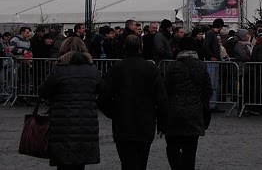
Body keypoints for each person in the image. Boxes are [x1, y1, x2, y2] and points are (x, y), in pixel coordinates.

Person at [100, 34, 168, 170]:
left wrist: (113, 113)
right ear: (140, 48)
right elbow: (161, 98)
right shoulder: (151, 68)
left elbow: (103, 96)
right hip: (145, 121)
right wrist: (162, 122)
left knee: (127, 162)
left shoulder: (116, 68)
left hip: (122, 122)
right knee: (141, 162)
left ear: (125, 47)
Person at [38, 37, 105, 170]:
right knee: (80, 163)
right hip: (86, 122)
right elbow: (103, 90)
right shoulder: (92, 69)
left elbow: (43, 91)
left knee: (64, 163)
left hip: (62, 123)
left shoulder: (58, 69)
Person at [161, 36, 213, 170]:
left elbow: (165, 89)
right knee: (190, 151)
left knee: (172, 148)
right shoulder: (200, 66)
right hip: (194, 112)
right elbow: (208, 89)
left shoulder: (172, 66)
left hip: (174, 113)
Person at [203, 18, 224, 112]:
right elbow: (205, 46)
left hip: (213, 60)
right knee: (212, 82)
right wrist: (211, 56)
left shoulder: (211, 34)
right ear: (220, 26)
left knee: (214, 82)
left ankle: (212, 104)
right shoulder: (211, 34)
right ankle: (211, 104)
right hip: (211, 61)